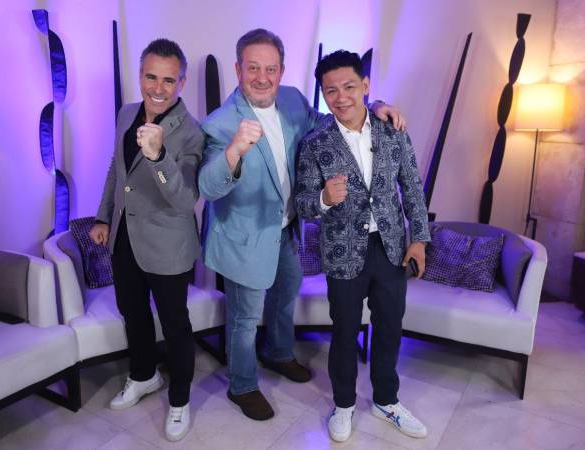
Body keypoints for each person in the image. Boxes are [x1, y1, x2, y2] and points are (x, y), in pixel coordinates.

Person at [198, 28, 405, 421]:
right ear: (238, 70)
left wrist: (374, 104)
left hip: (285, 230)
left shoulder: (292, 99)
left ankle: (278, 353)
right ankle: (242, 385)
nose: (262, 77)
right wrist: (234, 151)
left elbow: (330, 120)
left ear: (281, 70)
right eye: (253, 68)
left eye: (271, 69)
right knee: (244, 319)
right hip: (245, 237)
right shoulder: (220, 123)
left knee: (285, 293)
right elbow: (207, 187)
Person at [295, 50, 430, 442]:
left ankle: (387, 401)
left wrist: (419, 240)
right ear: (323, 94)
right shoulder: (314, 143)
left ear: (366, 86)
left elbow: (413, 188)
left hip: (390, 249)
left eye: (349, 87)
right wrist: (323, 198)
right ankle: (343, 405)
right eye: (331, 90)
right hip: (342, 252)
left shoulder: (393, 130)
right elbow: (303, 204)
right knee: (344, 332)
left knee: (389, 328)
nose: (341, 97)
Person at [89, 38, 203, 442]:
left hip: (168, 245)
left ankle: (180, 399)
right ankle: (143, 375)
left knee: (175, 324)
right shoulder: (126, 113)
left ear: (181, 82)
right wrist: (104, 216)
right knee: (132, 313)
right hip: (124, 237)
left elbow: (185, 199)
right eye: (151, 77)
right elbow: (115, 170)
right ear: (140, 75)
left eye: (168, 80)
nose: (158, 88)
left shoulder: (192, 133)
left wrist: (157, 157)